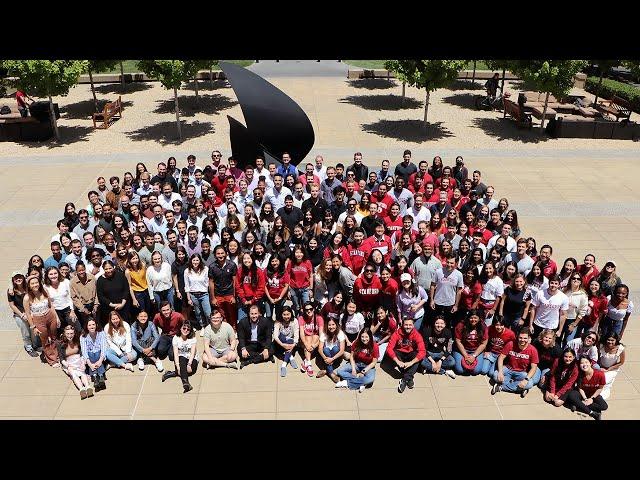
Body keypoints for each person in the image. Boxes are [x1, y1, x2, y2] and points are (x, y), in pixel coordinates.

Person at [23, 275, 60, 367]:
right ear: (29, 285)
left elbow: (51, 306)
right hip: (38, 319)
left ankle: (56, 355)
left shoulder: (44, 291)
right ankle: (51, 360)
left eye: (36, 282)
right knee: (45, 340)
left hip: (50, 316)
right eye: (32, 283)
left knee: (54, 337)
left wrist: (57, 317)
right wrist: (33, 327)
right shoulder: (27, 298)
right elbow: (28, 314)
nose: (35, 285)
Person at [491, 329, 540, 398]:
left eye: (525, 338)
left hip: (522, 372)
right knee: (496, 375)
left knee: (529, 384)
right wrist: (500, 372)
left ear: (529, 338)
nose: (522, 340)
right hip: (508, 369)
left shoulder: (533, 350)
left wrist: (525, 380)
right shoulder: (511, 344)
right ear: (517, 337)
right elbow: (501, 358)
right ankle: (520, 389)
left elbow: (534, 367)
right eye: (520, 338)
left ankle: (501, 387)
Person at [386, 317, 426, 393]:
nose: (408, 327)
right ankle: (409, 377)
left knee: (417, 356)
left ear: (413, 325)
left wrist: (411, 362)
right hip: (400, 354)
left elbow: (422, 351)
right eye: (406, 325)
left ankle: (405, 379)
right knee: (394, 352)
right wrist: (397, 361)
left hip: (410, 354)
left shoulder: (417, 335)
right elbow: (389, 349)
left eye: (410, 325)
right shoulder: (397, 333)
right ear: (402, 325)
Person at [335, 328, 378, 392]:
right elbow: (352, 356)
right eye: (362, 337)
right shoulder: (356, 343)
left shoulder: (374, 346)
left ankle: (346, 383)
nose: (364, 339)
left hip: (368, 366)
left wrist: (363, 371)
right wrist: (353, 369)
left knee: (370, 379)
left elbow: (374, 362)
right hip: (357, 364)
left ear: (370, 337)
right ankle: (361, 383)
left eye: (366, 337)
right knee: (340, 371)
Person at [58, 324, 94, 399]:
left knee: (83, 372)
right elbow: (61, 359)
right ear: (64, 334)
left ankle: (87, 386)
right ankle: (81, 389)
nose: (70, 335)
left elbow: (81, 353)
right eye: (67, 334)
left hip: (78, 360)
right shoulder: (61, 344)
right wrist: (68, 366)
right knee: (73, 374)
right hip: (68, 363)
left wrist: (83, 362)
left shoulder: (78, 341)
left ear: (74, 334)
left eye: (71, 333)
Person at [161, 320, 198, 393]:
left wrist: (189, 364)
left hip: (191, 358)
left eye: (188, 329)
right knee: (182, 359)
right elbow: (176, 353)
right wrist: (177, 366)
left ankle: (171, 373)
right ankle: (186, 383)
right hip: (180, 359)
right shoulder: (176, 338)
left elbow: (193, 353)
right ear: (180, 328)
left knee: (188, 371)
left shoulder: (193, 338)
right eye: (184, 328)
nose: (186, 330)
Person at [528, 275, 569, 340]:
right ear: (549, 283)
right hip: (538, 324)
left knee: (548, 346)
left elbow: (563, 315)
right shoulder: (540, 293)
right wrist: (530, 325)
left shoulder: (564, 297)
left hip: (552, 326)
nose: (553, 285)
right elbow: (533, 308)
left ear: (559, 285)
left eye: (556, 284)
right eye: (552, 283)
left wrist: (560, 330)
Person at [8, 272, 38, 357]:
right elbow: (12, 305)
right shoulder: (11, 291)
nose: (18, 279)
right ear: (13, 280)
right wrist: (22, 315)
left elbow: (34, 277)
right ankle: (28, 347)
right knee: (25, 333)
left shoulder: (28, 287)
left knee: (33, 330)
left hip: (30, 313)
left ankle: (35, 345)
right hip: (19, 315)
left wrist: (30, 313)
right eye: (16, 278)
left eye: (20, 277)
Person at [208, 245, 238, 329]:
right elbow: (211, 282)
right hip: (218, 294)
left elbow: (235, 281)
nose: (220, 255)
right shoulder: (212, 266)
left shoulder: (232, 265)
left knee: (231, 313)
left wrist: (234, 296)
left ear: (226, 254)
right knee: (221, 314)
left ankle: (233, 329)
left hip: (229, 293)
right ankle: (225, 329)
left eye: (222, 253)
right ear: (215, 255)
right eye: (218, 254)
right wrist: (213, 298)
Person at [430, 257, 464, 328]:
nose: (449, 264)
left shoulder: (459, 274)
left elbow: (459, 291)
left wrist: (456, 305)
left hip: (450, 303)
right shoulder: (438, 272)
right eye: (448, 262)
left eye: (451, 263)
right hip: (437, 302)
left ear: (456, 264)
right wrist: (432, 300)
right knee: (436, 322)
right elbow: (432, 286)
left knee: (447, 323)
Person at [453, 309, 487, 376]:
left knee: (476, 371)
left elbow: (484, 343)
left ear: (479, 319)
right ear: (468, 318)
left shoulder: (483, 326)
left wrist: (474, 356)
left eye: (475, 318)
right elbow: (458, 342)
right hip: (462, 349)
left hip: (475, 350)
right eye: (471, 318)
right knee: (459, 370)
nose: (473, 320)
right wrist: (465, 355)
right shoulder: (461, 325)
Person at [183, 254, 211, 336]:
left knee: (207, 312)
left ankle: (210, 327)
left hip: (204, 294)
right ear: (191, 261)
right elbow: (187, 285)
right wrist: (189, 298)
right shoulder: (187, 271)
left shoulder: (205, 269)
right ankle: (203, 326)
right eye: (194, 260)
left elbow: (208, 282)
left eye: (197, 260)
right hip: (193, 295)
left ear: (200, 261)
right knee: (198, 313)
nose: (195, 262)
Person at [235, 252, 266, 323]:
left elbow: (261, 288)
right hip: (243, 300)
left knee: (257, 321)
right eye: (244, 259)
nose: (246, 260)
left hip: (256, 300)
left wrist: (252, 300)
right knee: (242, 321)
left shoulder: (258, 271)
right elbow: (238, 286)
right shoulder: (240, 270)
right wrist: (243, 299)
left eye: (248, 258)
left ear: (252, 259)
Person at [96, 260, 130, 324]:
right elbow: (101, 296)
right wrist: (112, 305)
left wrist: (122, 304)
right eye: (106, 269)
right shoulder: (100, 280)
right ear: (103, 269)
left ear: (113, 267)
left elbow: (126, 289)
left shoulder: (120, 275)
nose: (108, 270)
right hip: (109, 309)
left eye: (110, 268)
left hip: (123, 307)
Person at [80, 318, 107, 391]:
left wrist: (100, 361)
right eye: (89, 325)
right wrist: (90, 365)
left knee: (97, 353)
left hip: (99, 357)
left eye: (93, 324)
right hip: (90, 358)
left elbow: (104, 348)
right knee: (91, 354)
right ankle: (98, 375)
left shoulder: (101, 333)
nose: (92, 326)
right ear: (87, 327)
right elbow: (84, 351)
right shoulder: (83, 336)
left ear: (96, 325)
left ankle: (97, 376)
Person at [286, 245, 314, 314]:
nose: (299, 254)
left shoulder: (307, 262)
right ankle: (298, 320)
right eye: (297, 252)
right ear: (294, 253)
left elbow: (311, 276)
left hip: (305, 288)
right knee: (296, 307)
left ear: (303, 253)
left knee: (306, 307)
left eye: (301, 252)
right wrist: (288, 289)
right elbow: (288, 276)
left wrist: (311, 289)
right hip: (294, 288)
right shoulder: (290, 263)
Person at [317, 317, 347, 383]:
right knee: (326, 349)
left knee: (335, 348)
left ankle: (326, 371)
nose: (331, 327)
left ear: (336, 325)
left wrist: (332, 359)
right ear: (326, 325)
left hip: (336, 356)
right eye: (329, 325)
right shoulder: (324, 333)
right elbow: (320, 349)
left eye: (333, 324)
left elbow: (342, 350)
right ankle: (332, 375)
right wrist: (325, 358)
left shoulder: (340, 333)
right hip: (327, 357)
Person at [273, 306, 300, 376]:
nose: (286, 316)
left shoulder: (295, 321)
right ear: (281, 315)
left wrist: (293, 345)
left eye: (288, 314)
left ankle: (284, 365)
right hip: (281, 341)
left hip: (290, 342)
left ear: (291, 314)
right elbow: (275, 336)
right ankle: (291, 357)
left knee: (290, 340)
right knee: (281, 335)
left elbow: (296, 334)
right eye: (284, 314)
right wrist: (283, 345)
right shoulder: (278, 321)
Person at [598, 332, 625, 400]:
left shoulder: (621, 348)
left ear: (616, 340)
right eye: (608, 340)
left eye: (612, 340)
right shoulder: (601, 346)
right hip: (600, 367)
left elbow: (621, 362)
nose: (610, 342)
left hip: (612, 369)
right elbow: (597, 357)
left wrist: (609, 369)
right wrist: (599, 367)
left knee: (605, 381)